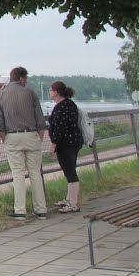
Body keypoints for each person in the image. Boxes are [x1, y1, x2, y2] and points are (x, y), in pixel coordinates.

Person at [0, 66, 47, 219]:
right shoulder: (30, 93)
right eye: (26, 79)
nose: (26, 82)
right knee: (35, 173)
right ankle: (41, 209)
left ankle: (20, 211)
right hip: (31, 135)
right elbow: (40, 120)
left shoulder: (1, 95)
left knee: (18, 174)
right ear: (22, 78)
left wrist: (5, 139)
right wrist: (39, 137)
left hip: (12, 136)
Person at [48, 81, 84, 213]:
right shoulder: (70, 104)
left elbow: (59, 129)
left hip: (66, 144)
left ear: (56, 92)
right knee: (70, 168)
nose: (50, 93)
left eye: (51, 90)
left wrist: (53, 145)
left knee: (70, 173)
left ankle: (73, 203)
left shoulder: (60, 107)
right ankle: (69, 199)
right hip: (74, 141)